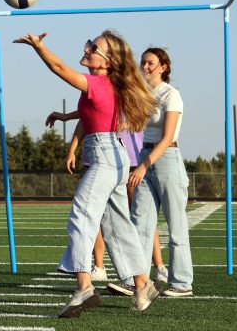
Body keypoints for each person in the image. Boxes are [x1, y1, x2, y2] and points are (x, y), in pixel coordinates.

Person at [15, 30, 158, 318]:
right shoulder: (107, 85)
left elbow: (58, 68)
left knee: (82, 214)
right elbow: (93, 113)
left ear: (107, 61)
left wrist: (39, 47)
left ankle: (84, 286)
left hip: (105, 156)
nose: (87, 48)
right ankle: (142, 282)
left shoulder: (95, 83)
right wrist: (65, 116)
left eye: (94, 47)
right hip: (113, 154)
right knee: (117, 225)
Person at [108, 48, 193, 297]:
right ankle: (139, 280)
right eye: (143, 62)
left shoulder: (171, 94)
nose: (144, 66)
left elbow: (167, 138)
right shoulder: (144, 94)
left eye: (150, 63)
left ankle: (181, 283)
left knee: (176, 225)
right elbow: (130, 122)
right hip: (146, 157)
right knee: (140, 223)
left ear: (163, 67)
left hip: (166, 159)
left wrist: (143, 166)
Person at [62, 123, 168, 284]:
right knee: (97, 214)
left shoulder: (127, 99)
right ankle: (100, 267)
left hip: (127, 154)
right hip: (97, 154)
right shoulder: (99, 101)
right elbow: (87, 113)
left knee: (140, 215)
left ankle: (157, 266)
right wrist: (67, 120)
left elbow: (139, 112)